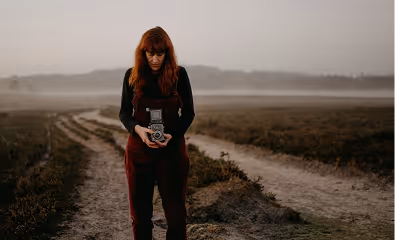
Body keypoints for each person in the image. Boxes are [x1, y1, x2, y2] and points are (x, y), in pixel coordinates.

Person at [119, 26, 195, 240]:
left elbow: (188, 113)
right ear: (142, 53)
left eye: (159, 54)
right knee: (140, 216)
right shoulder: (131, 76)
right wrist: (139, 130)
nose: (154, 59)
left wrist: (174, 134)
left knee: (176, 215)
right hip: (138, 152)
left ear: (167, 53)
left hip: (172, 153)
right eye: (150, 53)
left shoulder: (180, 75)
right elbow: (124, 113)